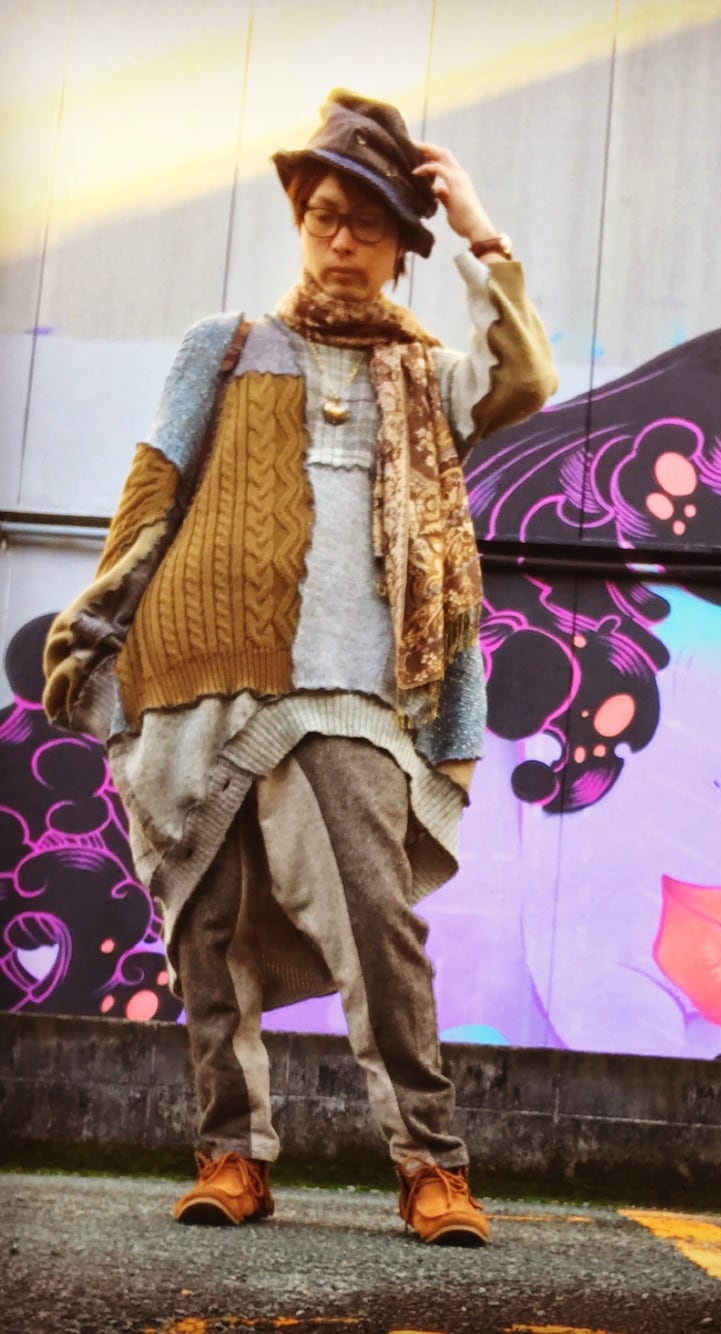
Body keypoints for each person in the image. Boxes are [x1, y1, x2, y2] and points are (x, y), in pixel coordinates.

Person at [41, 89, 557, 1245]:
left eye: (368, 223)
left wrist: (477, 226)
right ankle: (231, 1154)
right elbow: (154, 490)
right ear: (300, 217)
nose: (341, 239)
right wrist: (101, 625)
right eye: (326, 214)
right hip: (201, 673)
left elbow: (524, 377)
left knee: (379, 921)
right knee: (208, 930)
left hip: (350, 691)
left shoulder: (425, 377)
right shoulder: (223, 346)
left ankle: (430, 1163)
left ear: (399, 245)